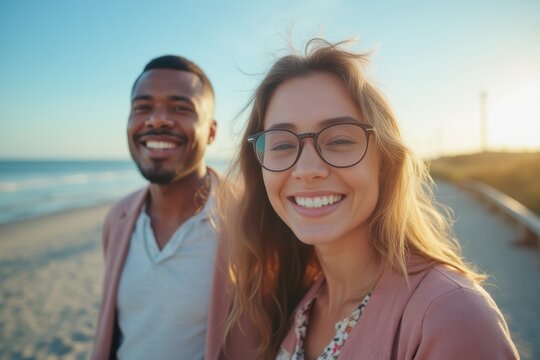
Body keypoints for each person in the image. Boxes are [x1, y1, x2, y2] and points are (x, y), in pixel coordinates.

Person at [221, 39, 519, 359]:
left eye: (338, 140)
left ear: (385, 164)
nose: (306, 169)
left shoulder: (450, 316)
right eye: (281, 145)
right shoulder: (298, 300)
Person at [91, 55, 249, 359]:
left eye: (180, 108)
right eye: (143, 108)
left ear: (212, 131)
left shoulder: (249, 220)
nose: (157, 120)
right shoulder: (119, 218)